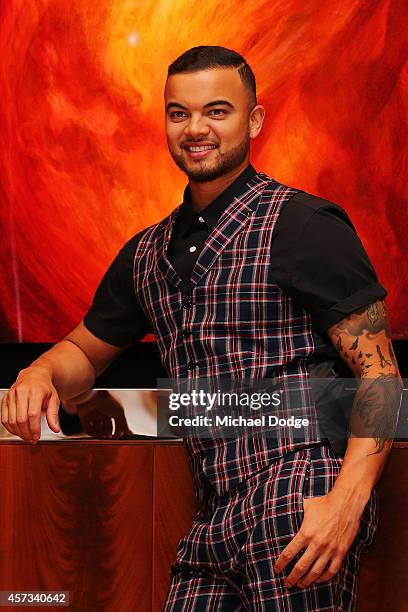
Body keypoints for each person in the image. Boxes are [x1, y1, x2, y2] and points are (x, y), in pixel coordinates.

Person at [1, 46, 402, 611]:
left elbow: (381, 375)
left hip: (297, 487)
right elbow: (83, 353)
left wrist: (345, 502)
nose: (196, 129)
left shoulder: (304, 225)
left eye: (217, 111)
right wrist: (41, 371)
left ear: (254, 120)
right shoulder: (145, 253)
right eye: (179, 113)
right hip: (214, 513)